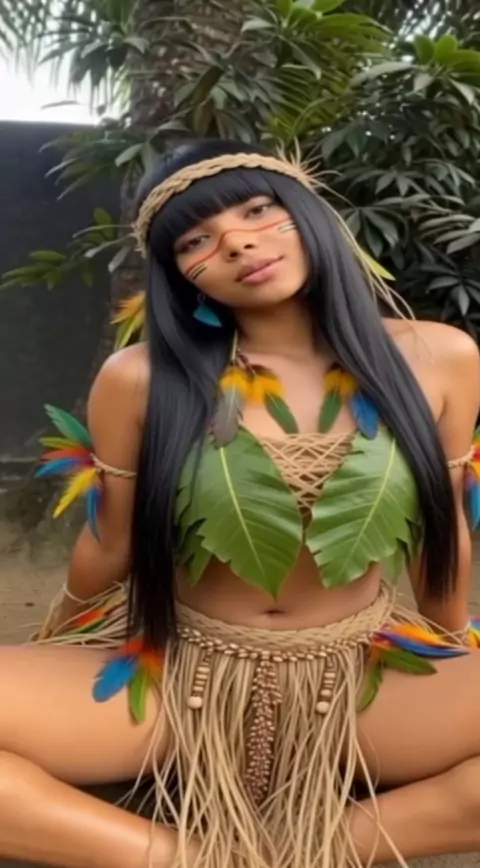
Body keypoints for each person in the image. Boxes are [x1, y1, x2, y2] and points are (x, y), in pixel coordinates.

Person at [1, 136, 480, 868]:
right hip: (179, 679)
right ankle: (183, 858)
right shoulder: (139, 377)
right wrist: (55, 648)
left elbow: (441, 535)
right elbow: (112, 543)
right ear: (179, 275)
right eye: (195, 240)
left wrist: (453, 650)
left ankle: (305, 849)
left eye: (257, 210)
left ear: (308, 211)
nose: (236, 242)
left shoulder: (439, 357)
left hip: (363, 683)